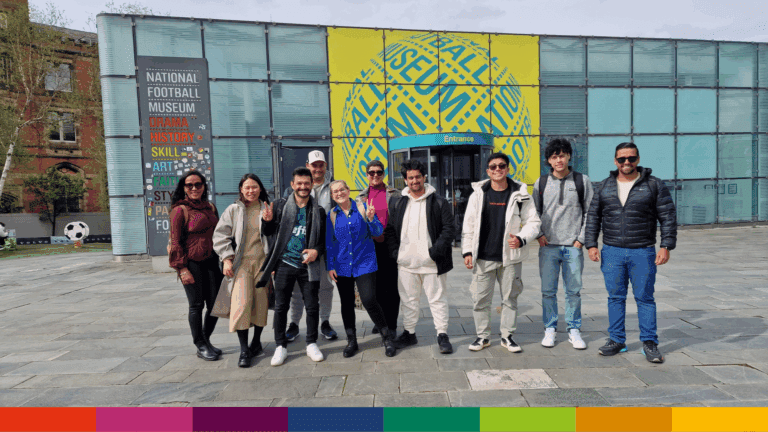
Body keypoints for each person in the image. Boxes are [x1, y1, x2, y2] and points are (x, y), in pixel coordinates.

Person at [585, 142, 677, 364]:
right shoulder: (604, 186)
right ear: (615, 161)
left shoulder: (653, 185)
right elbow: (593, 217)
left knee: (645, 298)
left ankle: (649, 343)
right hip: (612, 251)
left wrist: (666, 246)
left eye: (631, 158)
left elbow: (668, 217)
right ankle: (617, 340)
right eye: (622, 159)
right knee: (615, 297)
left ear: (638, 159)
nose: (627, 162)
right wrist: (591, 244)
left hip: (643, 251)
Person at [462, 153, 541, 353]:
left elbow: (534, 222)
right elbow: (469, 225)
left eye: (501, 166)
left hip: (510, 257)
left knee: (510, 299)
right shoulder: (478, 194)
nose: (498, 169)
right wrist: (467, 251)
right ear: (488, 171)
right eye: (493, 167)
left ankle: (507, 336)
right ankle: (483, 337)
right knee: (480, 300)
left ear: (507, 169)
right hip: (483, 256)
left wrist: (522, 238)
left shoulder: (520, 194)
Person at [385, 159, 456, 354]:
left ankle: (442, 335)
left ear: (424, 177)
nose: (415, 180)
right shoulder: (398, 202)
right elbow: (390, 230)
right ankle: (409, 333)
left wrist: (434, 252)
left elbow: (449, 229)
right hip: (406, 263)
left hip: (432, 263)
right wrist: (395, 253)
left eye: (418, 176)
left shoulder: (439, 202)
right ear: (405, 180)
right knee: (408, 300)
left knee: (438, 300)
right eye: (410, 177)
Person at [258, 167, 327, 366]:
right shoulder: (280, 206)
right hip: (284, 264)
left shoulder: (318, 211)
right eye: (299, 183)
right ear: (292, 185)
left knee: (312, 306)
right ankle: (280, 346)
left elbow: (323, 241)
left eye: (307, 183)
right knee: (281, 306)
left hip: (308, 265)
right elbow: (269, 232)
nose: (303, 187)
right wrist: (267, 221)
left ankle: (312, 342)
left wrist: (316, 251)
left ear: (312, 184)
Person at [533, 139, 593, 350]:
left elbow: (590, 213)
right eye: (554, 156)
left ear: (568, 156)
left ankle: (573, 329)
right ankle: (550, 328)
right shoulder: (540, 183)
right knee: (548, 291)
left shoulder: (581, 180)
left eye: (562, 155)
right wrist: (539, 234)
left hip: (572, 247)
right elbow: (534, 213)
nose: (558, 160)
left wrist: (581, 240)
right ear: (548, 160)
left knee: (573, 291)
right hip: (548, 246)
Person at [327, 180, 397, 358]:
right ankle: (352, 341)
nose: (339, 193)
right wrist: (330, 266)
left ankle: (387, 337)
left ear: (348, 190)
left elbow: (377, 232)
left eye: (342, 189)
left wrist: (372, 218)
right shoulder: (332, 215)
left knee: (369, 300)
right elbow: (330, 243)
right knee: (346, 304)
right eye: (335, 191)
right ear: (332, 195)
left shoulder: (363, 208)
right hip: (342, 266)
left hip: (364, 263)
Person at [212, 174, 271, 368]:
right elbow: (220, 235)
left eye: (254, 187)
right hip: (242, 265)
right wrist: (227, 259)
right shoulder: (234, 210)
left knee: (261, 304)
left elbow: (275, 234)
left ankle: (256, 342)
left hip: (263, 263)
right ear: (241, 190)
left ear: (260, 188)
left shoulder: (268, 208)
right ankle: (244, 350)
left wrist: (270, 221)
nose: (251, 191)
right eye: (247, 187)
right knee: (242, 305)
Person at [282, 150, 338, 342]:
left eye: (321, 164)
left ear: (325, 166)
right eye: (314, 165)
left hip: (324, 248)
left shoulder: (333, 188)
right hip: (297, 249)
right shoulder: (293, 189)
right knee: (297, 289)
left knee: (325, 287)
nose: (317, 168)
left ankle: (325, 322)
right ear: (308, 165)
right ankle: (294, 323)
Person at [168, 170, 223, 361]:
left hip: (212, 262)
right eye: (189, 185)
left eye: (198, 184)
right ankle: (199, 344)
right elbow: (175, 242)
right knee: (196, 305)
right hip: (191, 264)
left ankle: (205, 340)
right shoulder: (179, 210)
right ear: (183, 188)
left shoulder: (210, 207)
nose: (194, 188)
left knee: (216, 305)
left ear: (204, 186)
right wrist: (182, 269)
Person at [355, 160, 400, 336]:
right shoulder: (360, 197)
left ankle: (392, 325)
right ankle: (380, 321)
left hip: (389, 242)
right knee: (375, 287)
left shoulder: (395, 194)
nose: (375, 175)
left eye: (379, 172)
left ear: (384, 174)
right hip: (369, 243)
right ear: (367, 175)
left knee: (391, 287)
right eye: (372, 172)